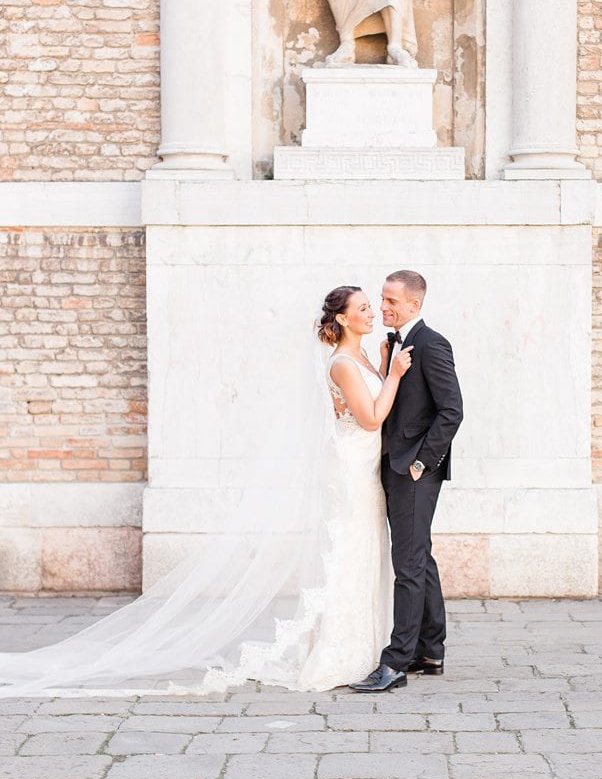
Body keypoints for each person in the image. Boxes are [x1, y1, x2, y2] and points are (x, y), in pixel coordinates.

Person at [0, 286, 412, 697]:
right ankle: (338, 653)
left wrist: (382, 367)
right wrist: (393, 375)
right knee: (348, 554)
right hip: (350, 468)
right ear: (341, 318)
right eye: (363, 307)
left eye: (371, 306)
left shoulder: (362, 356)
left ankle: (362, 648)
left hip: (364, 466)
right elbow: (373, 418)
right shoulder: (341, 362)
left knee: (363, 551)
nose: (372, 312)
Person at [350, 269, 463, 693]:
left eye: (392, 301)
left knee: (409, 565)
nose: (383, 307)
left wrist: (421, 464)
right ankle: (429, 650)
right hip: (394, 467)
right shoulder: (392, 344)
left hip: (414, 472)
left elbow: (452, 410)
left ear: (414, 305)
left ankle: (395, 663)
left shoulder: (433, 344)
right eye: (382, 299)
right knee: (419, 557)